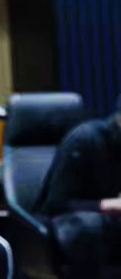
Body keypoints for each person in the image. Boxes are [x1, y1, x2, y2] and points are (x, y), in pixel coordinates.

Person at [34, 94, 121, 279]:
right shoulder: (86, 139)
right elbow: (55, 205)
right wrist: (109, 205)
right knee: (89, 226)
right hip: (74, 226)